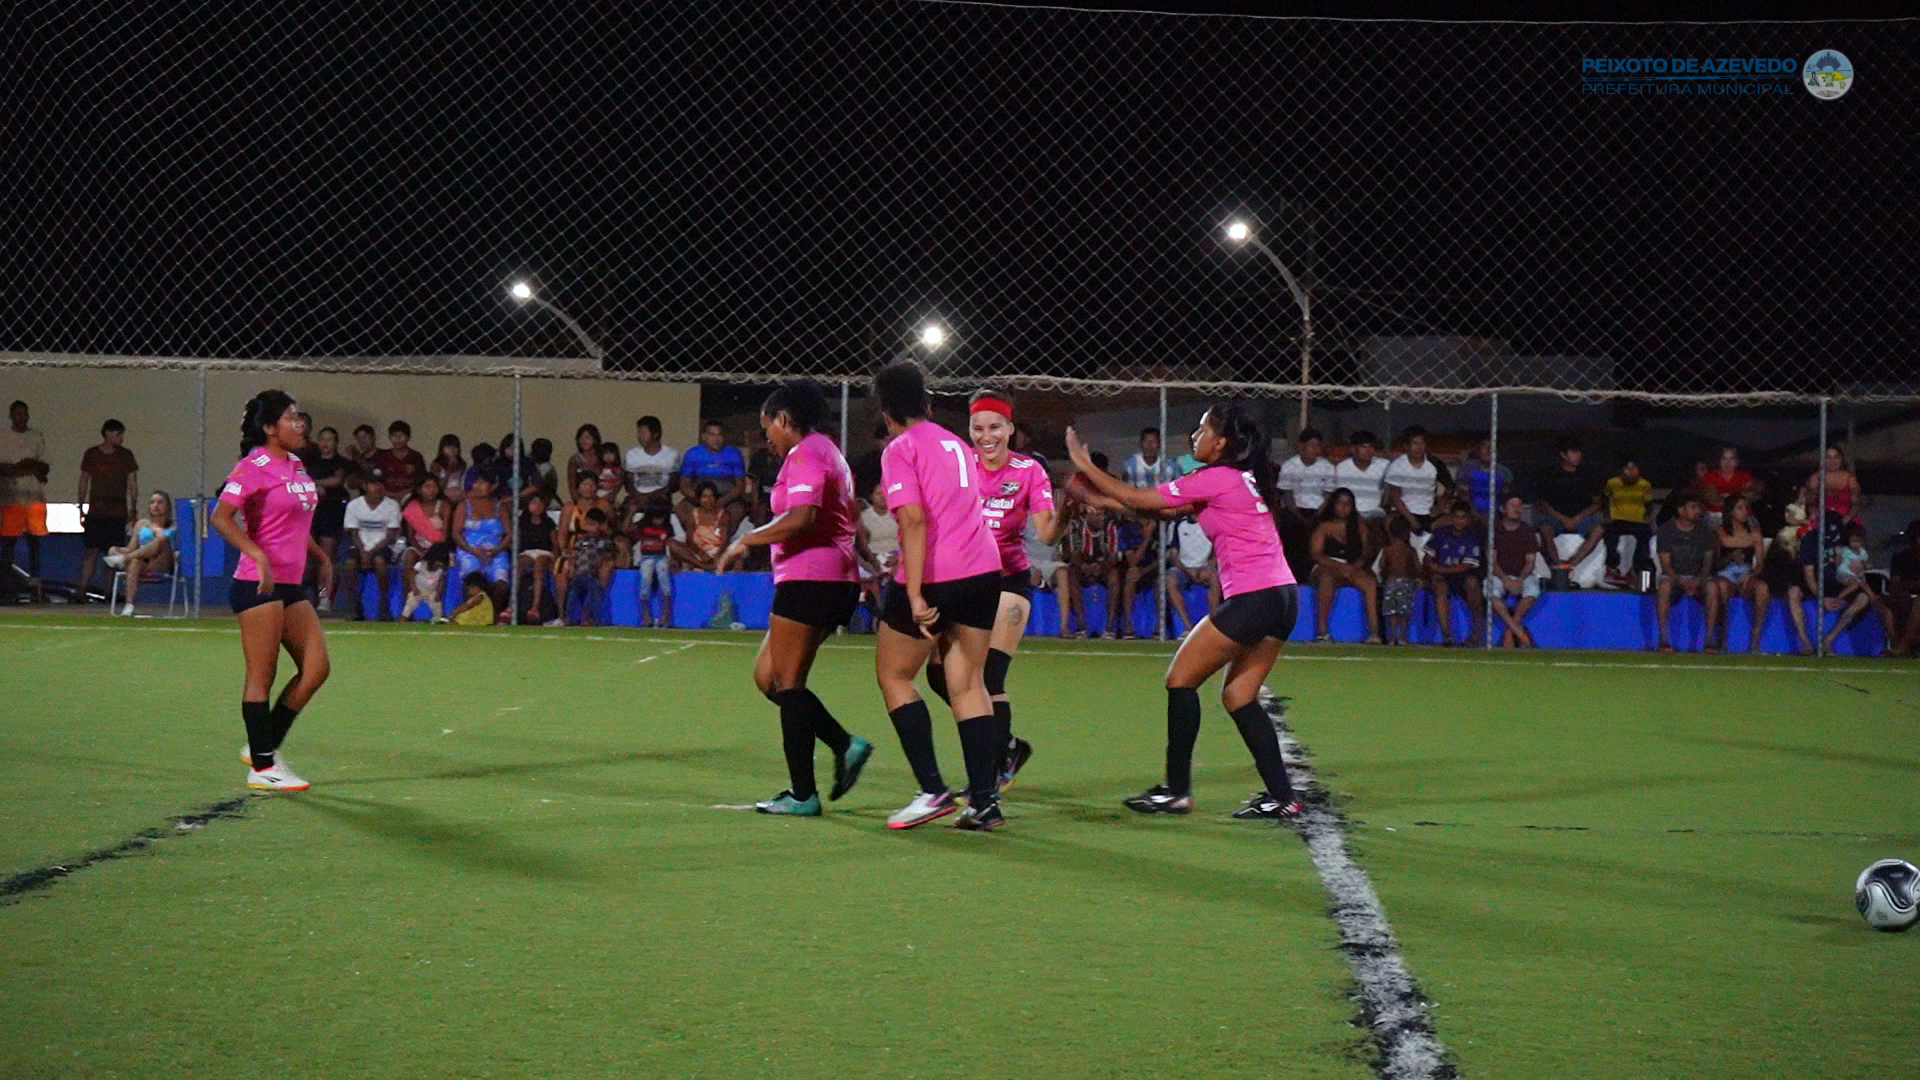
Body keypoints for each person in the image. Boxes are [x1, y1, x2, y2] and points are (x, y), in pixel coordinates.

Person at [1065, 405, 1304, 822]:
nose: (1195, 435)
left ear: (1221, 442)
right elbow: (1159, 511)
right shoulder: (1239, 479)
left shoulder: (1217, 477)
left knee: (1180, 679)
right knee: (1239, 697)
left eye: (1202, 429)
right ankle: (1283, 797)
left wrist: (1085, 466)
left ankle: (1177, 792)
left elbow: (1140, 498)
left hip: (1254, 597)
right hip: (1282, 597)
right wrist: (1093, 498)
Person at [711, 379, 874, 816]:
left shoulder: (806, 454)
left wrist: (746, 541)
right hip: (825, 579)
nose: (767, 438)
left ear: (784, 420)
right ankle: (845, 744)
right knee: (769, 678)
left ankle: (803, 794)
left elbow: (802, 516)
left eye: (768, 427)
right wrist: (865, 561)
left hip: (811, 580)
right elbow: (846, 519)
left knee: (787, 683)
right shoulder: (827, 452)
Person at [868, 361, 1008, 831]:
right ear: (927, 405)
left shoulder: (899, 448)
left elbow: (913, 519)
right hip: (984, 570)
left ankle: (932, 791)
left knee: (894, 675)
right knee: (968, 684)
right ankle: (984, 802)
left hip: (936, 573)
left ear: (887, 414)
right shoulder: (956, 443)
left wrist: (912, 594)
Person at [920, 390, 1064, 792]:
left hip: (1008, 581)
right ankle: (1007, 747)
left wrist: (1069, 510)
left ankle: (987, 775)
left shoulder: (1029, 471)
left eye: (995, 427)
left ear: (1010, 428)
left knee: (986, 676)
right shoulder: (960, 464)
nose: (987, 436)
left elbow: (1047, 532)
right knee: (938, 674)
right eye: (978, 428)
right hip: (964, 580)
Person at [210, 390, 332, 793]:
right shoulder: (252, 467)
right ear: (269, 428)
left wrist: (320, 556)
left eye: (299, 417)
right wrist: (257, 555)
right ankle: (263, 768)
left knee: (316, 669)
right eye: (292, 418)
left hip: (290, 584)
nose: (300, 424)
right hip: (257, 584)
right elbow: (221, 518)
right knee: (262, 676)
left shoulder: (295, 464)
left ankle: (262, 747)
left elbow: (293, 522)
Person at [77, 419, 140, 601]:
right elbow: (84, 480)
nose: (121, 439)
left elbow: (133, 483)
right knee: (92, 551)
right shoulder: (92, 454)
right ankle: (82, 590)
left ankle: (108, 592)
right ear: (108, 434)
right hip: (97, 510)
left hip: (117, 510)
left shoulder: (126, 455)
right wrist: (81, 505)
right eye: (118, 435)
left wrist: (133, 508)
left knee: (112, 553)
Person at [1309, 488, 1380, 644]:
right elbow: (1317, 555)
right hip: (1327, 565)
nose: (1344, 507)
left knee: (1370, 583)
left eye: (1348, 504)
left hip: (1351, 567)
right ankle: (1322, 632)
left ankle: (1374, 633)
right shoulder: (1324, 527)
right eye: (1340, 503)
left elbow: (1366, 553)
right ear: (1333, 505)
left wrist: (1353, 567)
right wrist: (1338, 566)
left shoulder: (1359, 527)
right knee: (1327, 578)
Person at [0, 400, 51, 602]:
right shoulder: (3, 436)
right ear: (12, 416)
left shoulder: (36, 437)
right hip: (10, 499)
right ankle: (7, 590)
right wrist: (26, 467)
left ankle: (36, 590)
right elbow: (3, 468)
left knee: (35, 546)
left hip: (34, 499)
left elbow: (44, 467)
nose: (22, 417)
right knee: (8, 547)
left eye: (25, 414)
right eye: (18, 414)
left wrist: (20, 468)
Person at [1655, 492, 1719, 653]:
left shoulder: (1706, 532)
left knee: (1712, 587)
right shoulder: (1665, 530)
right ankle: (1664, 638)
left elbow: (1707, 563)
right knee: (1664, 586)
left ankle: (1709, 639)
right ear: (1680, 510)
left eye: (1699, 507)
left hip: (1698, 576)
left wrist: (1698, 579)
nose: (1698, 511)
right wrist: (1680, 581)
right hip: (1674, 575)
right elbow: (1665, 564)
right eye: (1693, 507)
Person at [1534, 437, 1605, 575]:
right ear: (1563, 454)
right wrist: (1564, 519)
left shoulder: (1588, 474)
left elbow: (1597, 503)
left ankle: (1572, 564)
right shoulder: (1550, 474)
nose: (1578, 455)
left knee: (1599, 529)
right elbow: (1543, 504)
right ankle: (1557, 565)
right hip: (1556, 518)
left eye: (1579, 452)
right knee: (1545, 529)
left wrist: (1578, 518)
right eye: (1574, 452)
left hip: (1581, 519)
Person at [340, 475, 403, 621]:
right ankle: (354, 606)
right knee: (349, 564)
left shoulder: (392, 505)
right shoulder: (354, 505)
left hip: (384, 546)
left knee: (380, 561)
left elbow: (391, 536)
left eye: (380, 484)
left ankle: (383, 604)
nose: (378, 488)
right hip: (360, 545)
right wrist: (363, 553)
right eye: (373, 484)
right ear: (365, 486)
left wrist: (371, 552)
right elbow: (354, 533)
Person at [303, 426, 352, 611]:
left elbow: (337, 480)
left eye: (330, 439)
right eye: (323, 439)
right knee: (307, 555)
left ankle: (325, 596)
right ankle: (303, 596)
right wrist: (312, 487)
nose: (326, 443)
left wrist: (316, 483)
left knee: (327, 554)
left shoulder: (340, 462)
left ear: (336, 443)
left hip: (331, 511)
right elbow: (300, 477)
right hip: (310, 512)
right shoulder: (311, 460)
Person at [104, 491, 176, 617]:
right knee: (133, 561)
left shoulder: (172, 525)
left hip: (161, 561)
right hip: (142, 562)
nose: (156, 505)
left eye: (160, 502)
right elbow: (131, 548)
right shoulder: (141, 524)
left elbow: (163, 538)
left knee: (160, 541)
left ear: (167, 507)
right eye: (152, 502)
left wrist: (153, 528)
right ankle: (129, 606)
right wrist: (116, 550)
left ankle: (124, 560)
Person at [1713, 495, 1770, 653]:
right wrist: (1731, 556)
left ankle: (1756, 637)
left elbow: (1760, 563)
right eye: (1740, 508)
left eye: (1746, 507)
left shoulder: (1754, 534)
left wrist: (1753, 574)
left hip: (1746, 572)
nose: (1745, 511)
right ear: (1731, 512)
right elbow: (1716, 561)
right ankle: (1723, 635)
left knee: (1762, 588)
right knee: (1721, 586)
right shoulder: (1720, 532)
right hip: (1726, 573)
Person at [1425, 501, 1485, 647]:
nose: (1460, 521)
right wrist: (1431, 568)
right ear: (1451, 517)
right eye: (1457, 517)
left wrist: (1440, 569)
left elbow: (1467, 565)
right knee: (1440, 588)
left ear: (1468, 519)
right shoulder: (1440, 533)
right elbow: (1428, 557)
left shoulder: (1472, 536)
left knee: (1473, 584)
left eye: (1463, 517)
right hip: (1442, 576)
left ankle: (1477, 632)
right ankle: (1447, 635)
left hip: (1463, 574)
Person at [451, 473, 511, 619]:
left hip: (495, 551)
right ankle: (470, 615)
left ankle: (493, 615)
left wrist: (497, 550)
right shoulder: (464, 506)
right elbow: (456, 534)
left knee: (501, 585)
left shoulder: (500, 507)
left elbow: (510, 534)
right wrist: (472, 551)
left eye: (483, 483)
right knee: (473, 580)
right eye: (476, 483)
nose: (478, 487)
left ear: (492, 486)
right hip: (469, 550)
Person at [1488, 494, 1542, 648]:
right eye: (1513, 505)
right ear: (1503, 509)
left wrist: (1520, 580)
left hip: (1522, 575)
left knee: (1532, 590)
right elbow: (1492, 561)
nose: (1517, 509)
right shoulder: (1495, 530)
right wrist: (1505, 580)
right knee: (1491, 591)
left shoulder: (1527, 531)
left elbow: (1530, 562)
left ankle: (1509, 631)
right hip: (1500, 574)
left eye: (1519, 506)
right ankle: (1519, 633)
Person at [1062, 503, 1122, 639]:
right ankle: (1081, 627)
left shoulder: (1109, 527)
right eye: (1097, 514)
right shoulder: (1077, 526)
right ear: (1088, 515)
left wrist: (1100, 567)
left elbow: (1113, 556)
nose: (1101, 518)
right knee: (1072, 574)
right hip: (1083, 567)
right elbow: (1074, 554)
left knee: (1114, 576)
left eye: (1102, 514)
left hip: (1103, 567)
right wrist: (1084, 566)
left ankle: (1110, 628)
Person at [679, 419, 748, 524]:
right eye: (712, 435)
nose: (716, 439)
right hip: (699, 498)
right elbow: (684, 485)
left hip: (727, 498)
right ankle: (694, 534)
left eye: (719, 435)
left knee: (737, 511)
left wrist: (722, 501)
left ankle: (723, 534)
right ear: (704, 437)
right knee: (681, 509)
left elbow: (740, 486)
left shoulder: (734, 454)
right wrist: (701, 500)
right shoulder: (692, 454)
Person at [1382, 426, 1446, 533]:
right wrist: (1411, 519)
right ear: (1406, 446)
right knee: (1391, 522)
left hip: (1428, 512)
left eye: (1422, 443)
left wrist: (1439, 507)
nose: (1419, 447)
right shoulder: (1397, 466)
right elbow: (1395, 496)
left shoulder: (1434, 463)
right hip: (1403, 513)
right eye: (1415, 443)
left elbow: (1449, 488)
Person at [1602, 458, 1654, 586]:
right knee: (1610, 536)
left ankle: (1635, 570)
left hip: (1638, 520)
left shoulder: (1645, 485)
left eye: (1634, 469)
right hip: (1618, 519)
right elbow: (1604, 499)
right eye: (1628, 469)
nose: (1631, 473)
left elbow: (1649, 504)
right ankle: (1612, 568)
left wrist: (1647, 516)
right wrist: (1607, 515)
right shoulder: (1612, 483)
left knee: (1645, 537)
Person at [1166, 517, 1221, 637]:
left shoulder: (1211, 523)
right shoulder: (1179, 525)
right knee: (1170, 579)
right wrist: (1187, 571)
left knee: (1215, 577)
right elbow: (1174, 556)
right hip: (1183, 569)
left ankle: (1214, 623)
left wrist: (1208, 567)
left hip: (1204, 568)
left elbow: (1218, 550)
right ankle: (1187, 626)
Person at [559, 508, 615, 626]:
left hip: (592, 575)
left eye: (593, 525)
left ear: (601, 526)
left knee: (593, 597)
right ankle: (570, 618)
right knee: (573, 597)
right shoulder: (581, 541)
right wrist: (572, 566)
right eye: (588, 524)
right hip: (579, 574)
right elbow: (574, 554)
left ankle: (592, 619)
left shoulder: (604, 542)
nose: (589, 528)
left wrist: (601, 561)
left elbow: (610, 554)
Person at [856, 477, 899, 621]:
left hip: (896, 556)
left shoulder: (898, 514)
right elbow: (861, 546)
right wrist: (873, 563)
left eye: (884, 493)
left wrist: (899, 557)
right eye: (878, 494)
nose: (882, 497)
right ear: (871, 497)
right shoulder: (864, 517)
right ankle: (880, 612)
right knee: (874, 576)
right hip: (873, 557)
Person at [630, 500, 675, 629]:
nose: (658, 521)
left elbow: (669, 543)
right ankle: (646, 615)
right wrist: (631, 513)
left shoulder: (667, 527)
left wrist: (673, 560)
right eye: (655, 518)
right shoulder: (643, 525)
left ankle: (665, 615)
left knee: (665, 583)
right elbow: (628, 529)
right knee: (645, 583)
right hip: (646, 558)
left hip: (662, 557)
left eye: (661, 518)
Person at [516, 492, 559, 625]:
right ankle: (511, 605)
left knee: (539, 565)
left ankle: (535, 607)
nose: (537, 506)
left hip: (545, 553)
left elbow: (554, 544)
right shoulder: (521, 522)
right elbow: (517, 543)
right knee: (518, 566)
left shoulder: (549, 523)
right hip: (527, 552)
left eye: (540, 503)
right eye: (534, 503)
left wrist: (555, 559)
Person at [1332, 431, 1388, 531]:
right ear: (1353, 449)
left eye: (1371, 447)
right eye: (1364, 447)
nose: (1369, 451)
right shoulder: (1342, 468)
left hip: (1376, 514)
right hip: (1351, 514)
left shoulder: (1384, 466)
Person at [399, 475, 451, 583]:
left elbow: (444, 536)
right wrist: (420, 550)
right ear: (419, 489)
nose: (432, 490)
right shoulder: (412, 507)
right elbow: (411, 536)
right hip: (419, 547)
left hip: (438, 547)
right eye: (427, 486)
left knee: (437, 560)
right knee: (409, 556)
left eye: (435, 486)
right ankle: (409, 590)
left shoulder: (444, 506)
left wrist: (431, 552)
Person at [1277, 427, 1335, 517]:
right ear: (1301, 446)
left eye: (1318, 445)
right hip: (1294, 511)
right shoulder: (1289, 466)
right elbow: (1287, 496)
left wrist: (1317, 515)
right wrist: (1298, 517)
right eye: (1312, 445)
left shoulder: (1327, 467)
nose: (1315, 449)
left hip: (1319, 511)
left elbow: (1328, 497)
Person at [1379, 515, 1419, 646]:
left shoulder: (1388, 550)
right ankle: (1402, 637)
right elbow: (1417, 567)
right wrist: (1416, 578)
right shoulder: (1410, 550)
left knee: (1391, 612)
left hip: (1391, 582)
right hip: (1406, 582)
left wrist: (1385, 577)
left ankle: (1392, 637)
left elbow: (1382, 566)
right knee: (1404, 612)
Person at [623, 415, 678, 508]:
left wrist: (653, 495)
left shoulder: (671, 455)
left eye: (643, 433)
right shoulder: (631, 454)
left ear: (655, 434)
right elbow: (628, 482)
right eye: (638, 433)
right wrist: (638, 496)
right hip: (637, 497)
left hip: (661, 497)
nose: (639, 437)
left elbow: (674, 483)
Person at [1801, 446, 1863, 525]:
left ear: (1841, 459)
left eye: (1836, 457)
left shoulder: (1850, 479)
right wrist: (1816, 514)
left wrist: (1847, 519)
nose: (1832, 461)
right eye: (1828, 457)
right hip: (1821, 520)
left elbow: (1856, 504)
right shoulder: (1815, 478)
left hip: (1847, 521)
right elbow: (1810, 503)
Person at [1885, 523, 1920, 656]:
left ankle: (1904, 646)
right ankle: (1896, 643)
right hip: (1905, 595)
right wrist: (1914, 585)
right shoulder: (1900, 557)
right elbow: (1895, 584)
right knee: (1886, 604)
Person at [1455, 435, 1510, 520]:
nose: (1489, 450)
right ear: (1478, 450)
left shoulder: (1504, 472)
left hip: (1497, 517)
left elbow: (1506, 497)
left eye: (1492, 447)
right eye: (1484, 447)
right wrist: (1474, 512)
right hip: (1469, 516)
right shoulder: (1467, 469)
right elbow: (1462, 494)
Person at [1700, 447, 1758, 526]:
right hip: (1717, 515)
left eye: (1731, 459)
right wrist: (1737, 496)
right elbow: (1713, 499)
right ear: (1719, 461)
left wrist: (1726, 497)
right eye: (1724, 459)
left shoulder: (1745, 476)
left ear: (1736, 461)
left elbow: (1751, 496)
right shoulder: (1711, 476)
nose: (1728, 462)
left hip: (1742, 515)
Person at [371, 420, 428, 498]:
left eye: (401, 435)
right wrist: (390, 494)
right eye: (394, 435)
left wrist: (404, 494)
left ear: (408, 437)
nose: (398, 439)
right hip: (386, 497)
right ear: (389, 437)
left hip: (410, 497)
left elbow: (421, 481)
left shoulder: (416, 457)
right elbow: (377, 480)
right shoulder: (383, 457)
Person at [401, 544, 450, 623]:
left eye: (440, 565)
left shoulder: (441, 570)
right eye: (436, 564)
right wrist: (414, 588)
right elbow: (411, 574)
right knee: (410, 605)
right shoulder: (421, 564)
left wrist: (438, 593)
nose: (437, 567)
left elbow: (441, 581)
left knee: (437, 607)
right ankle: (403, 620)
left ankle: (438, 620)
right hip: (418, 589)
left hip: (432, 591)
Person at [429, 434, 467, 501]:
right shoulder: (436, 464)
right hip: (442, 495)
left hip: (458, 494)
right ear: (442, 449)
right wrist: (448, 471)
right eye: (448, 447)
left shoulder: (462, 464)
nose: (452, 449)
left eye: (454, 447)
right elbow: (437, 487)